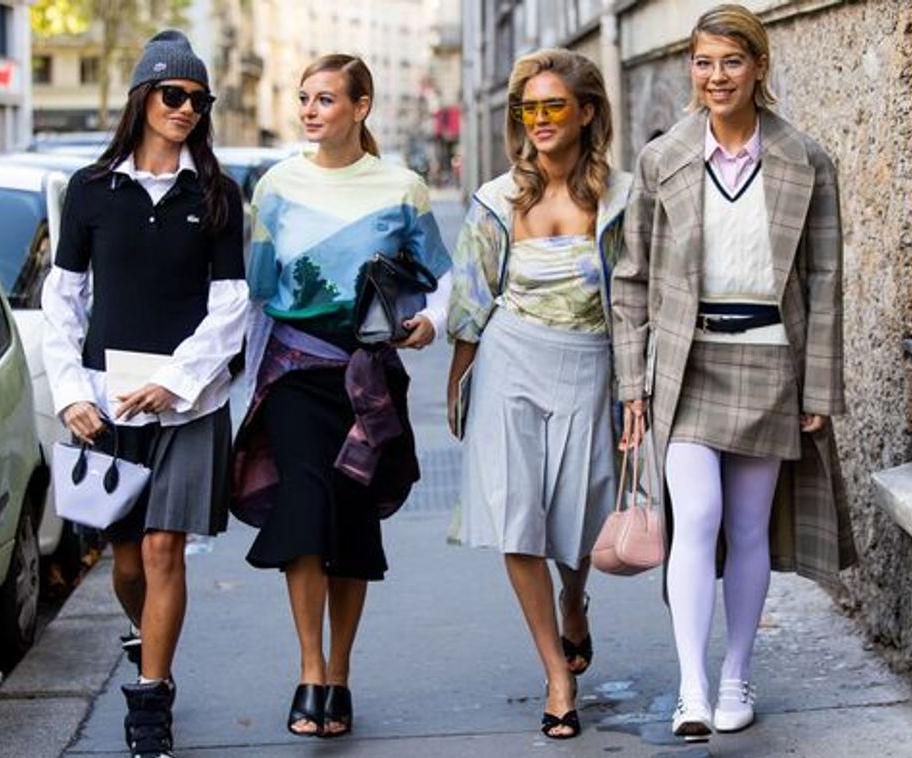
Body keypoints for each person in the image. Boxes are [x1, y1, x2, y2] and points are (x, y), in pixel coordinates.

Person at [612, 4, 856, 744]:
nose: (715, 77)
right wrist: (631, 384)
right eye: (703, 62)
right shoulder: (663, 159)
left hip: (769, 359)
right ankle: (690, 685)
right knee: (697, 517)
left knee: (749, 527)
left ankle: (735, 676)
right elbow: (631, 278)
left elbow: (825, 280)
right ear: (690, 68)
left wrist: (819, 387)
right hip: (686, 363)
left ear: (758, 67)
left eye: (731, 62)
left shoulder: (805, 159)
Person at [230, 54, 452, 740]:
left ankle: (341, 673)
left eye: (325, 98)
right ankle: (310, 670)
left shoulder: (403, 187)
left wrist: (429, 322)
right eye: (304, 98)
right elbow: (254, 292)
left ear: (360, 106)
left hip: (367, 378)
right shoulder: (275, 187)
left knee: (352, 523)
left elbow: (443, 278)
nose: (309, 110)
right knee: (303, 512)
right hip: (294, 371)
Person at [40, 30, 247, 758]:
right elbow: (63, 301)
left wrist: (176, 382)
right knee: (126, 562)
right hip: (108, 402)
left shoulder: (216, 193)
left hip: (191, 405)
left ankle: (151, 702)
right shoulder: (91, 190)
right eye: (173, 94)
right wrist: (70, 394)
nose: (186, 108)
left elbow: (231, 304)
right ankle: (145, 634)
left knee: (163, 550)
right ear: (142, 97)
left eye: (198, 100)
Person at [447, 48, 630, 741]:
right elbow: (471, 294)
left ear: (586, 113)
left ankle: (573, 598)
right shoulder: (497, 199)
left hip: (588, 361)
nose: (541, 120)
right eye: (530, 108)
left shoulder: (622, 198)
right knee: (516, 516)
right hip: (510, 360)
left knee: (581, 512)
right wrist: (459, 380)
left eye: (555, 105)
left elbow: (638, 298)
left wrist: (636, 388)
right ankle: (556, 674)